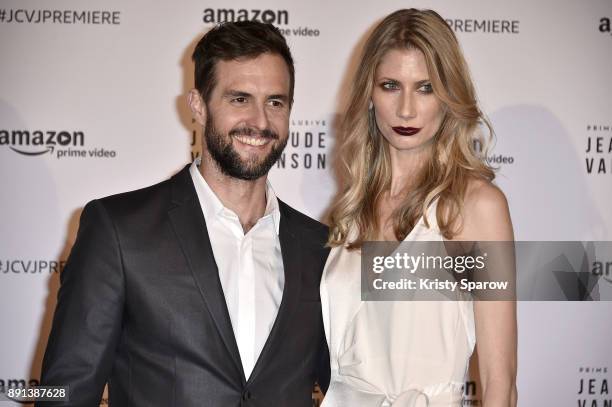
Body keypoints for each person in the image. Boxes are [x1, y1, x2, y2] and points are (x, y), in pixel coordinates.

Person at [38, 21, 330, 407]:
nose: (260, 122)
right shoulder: (120, 231)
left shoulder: (319, 246)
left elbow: (358, 384)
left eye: (275, 102)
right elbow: (62, 394)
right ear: (198, 106)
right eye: (239, 99)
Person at [321, 9, 517, 407]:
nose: (406, 109)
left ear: (448, 97)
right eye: (391, 86)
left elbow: (500, 381)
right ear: (369, 96)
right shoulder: (352, 210)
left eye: (425, 88)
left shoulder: (477, 207)